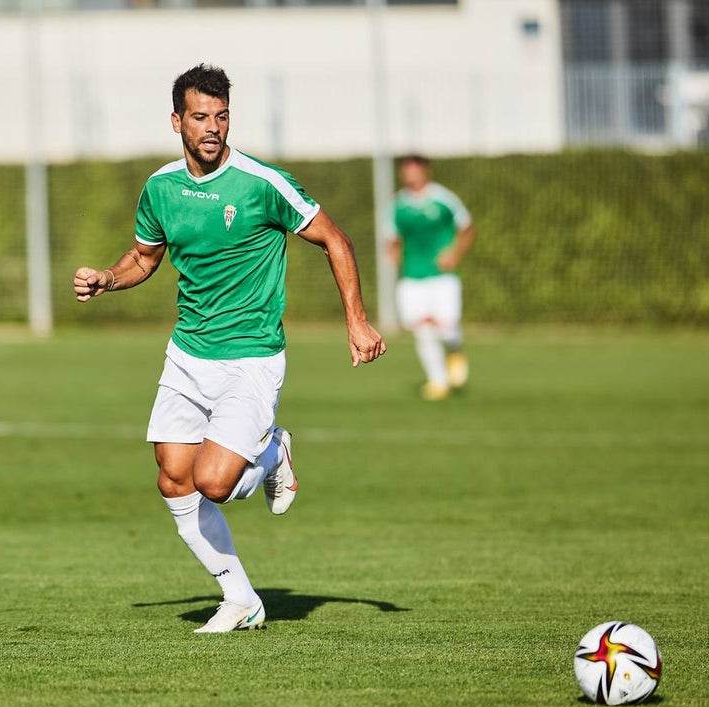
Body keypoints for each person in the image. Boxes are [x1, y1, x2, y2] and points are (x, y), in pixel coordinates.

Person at [73, 64, 386, 634]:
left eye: (221, 117)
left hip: (250, 358)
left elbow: (334, 239)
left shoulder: (261, 182)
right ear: (177, 122)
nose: (212, 127)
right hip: (188, 354)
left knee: (215, 483)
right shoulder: (160, 188)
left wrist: (357, 322)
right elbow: (144, 258)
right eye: (200, 117)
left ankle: (272, 452)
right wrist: (107, 279)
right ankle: (241, 599)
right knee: (173, 478)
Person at [387, 154, 475, 401]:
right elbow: (391, 237)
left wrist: (454, 253)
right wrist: (392, 252)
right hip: (413, 276)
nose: (411, 174)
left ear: (427, 171)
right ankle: (438, 382)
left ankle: (454, 348)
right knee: (422, 327)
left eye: (415, 169)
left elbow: (467, 229)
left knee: (446, 326)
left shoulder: (443, 199)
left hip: (442, 276)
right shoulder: (397, 205)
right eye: (407, 170)